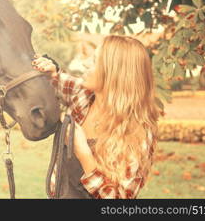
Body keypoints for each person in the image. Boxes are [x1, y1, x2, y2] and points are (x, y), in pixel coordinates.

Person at [31, 35, 160, 199]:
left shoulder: (138, 132)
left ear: (114, 74)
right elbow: (54, 80)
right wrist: (48, 70)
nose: (85, 64)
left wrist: (83, 153)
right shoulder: (83, 96)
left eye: (94, 61)